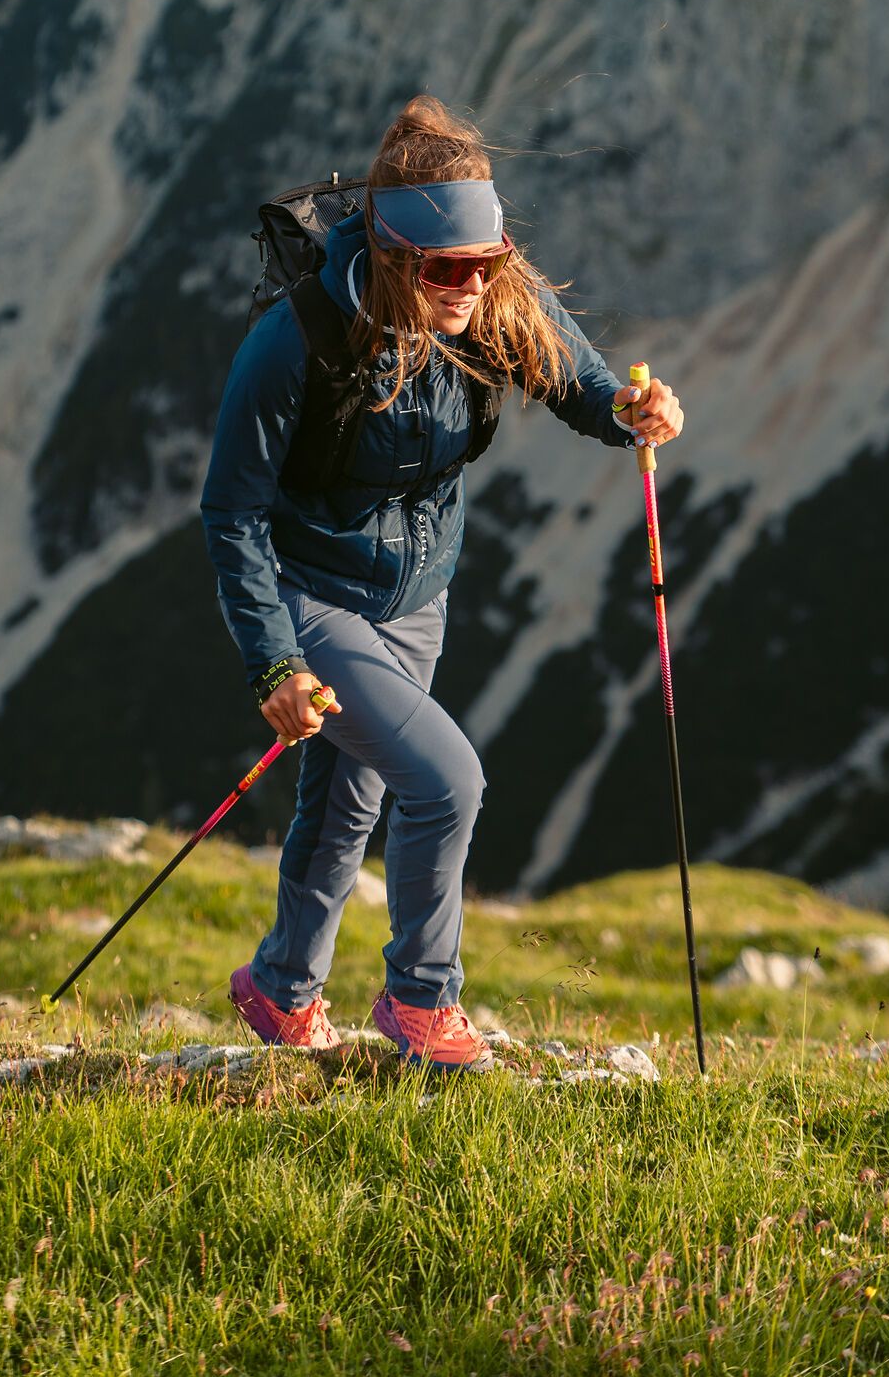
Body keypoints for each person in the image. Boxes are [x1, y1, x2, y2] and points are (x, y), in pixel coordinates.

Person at [199, 94, 684, 1071]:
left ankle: (280, 989)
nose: (469, 285)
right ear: (388, 255)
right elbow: (231, 512)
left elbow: (573, 377)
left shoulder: (491, 295)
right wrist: (274, 665)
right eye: (444, 269)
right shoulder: (293, 341)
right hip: (313, 593)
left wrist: (628, 410)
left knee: (347, 800)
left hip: (418, 600)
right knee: (447, 781)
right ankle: (422, 1002)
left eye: (486, 262)